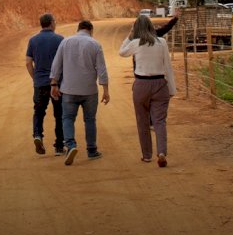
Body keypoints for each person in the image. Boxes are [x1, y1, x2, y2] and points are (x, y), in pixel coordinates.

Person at [119, 14, 176, 167]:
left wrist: (130, 35)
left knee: (142, 121)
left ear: (136, 28)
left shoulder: (136, 43)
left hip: (141, 85)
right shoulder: (162, 42)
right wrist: (171, 88)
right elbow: (167, 66)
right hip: (160, 84)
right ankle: (162, 152)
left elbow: (122, 52)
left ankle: (147, 155)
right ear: (151, 26)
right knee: (159, 121)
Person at [50, 20, 109, 165]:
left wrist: (54, 84)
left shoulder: (65, 42)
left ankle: (70, 145)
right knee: (90, 120)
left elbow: (56, 64)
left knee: (68, 118)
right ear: (91, 30)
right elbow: (102, 69)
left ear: (78, 29)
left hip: (68, 89)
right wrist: (105, 90)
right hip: (89, 90)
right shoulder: (95, 44)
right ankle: (92, 150)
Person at [25, 13, 64, 156]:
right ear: (51, 23)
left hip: (40, 83)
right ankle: (59, 146)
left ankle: (37, 135)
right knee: (59, 114)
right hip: (57, 83)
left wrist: (35, 77)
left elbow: (28, 62)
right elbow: (64, 61)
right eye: (55, 21)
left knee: (39, 112)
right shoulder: (60, 40)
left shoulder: (33, 40)